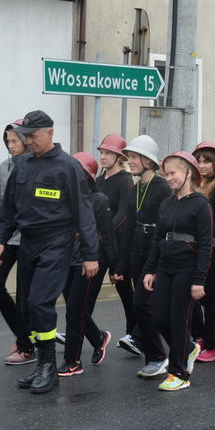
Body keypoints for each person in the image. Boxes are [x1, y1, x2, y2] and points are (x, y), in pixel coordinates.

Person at [0, 110, 99, 395]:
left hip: (57, 241)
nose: (29, 141)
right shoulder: (22, 164)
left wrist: (90, 254)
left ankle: (49, 366)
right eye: (26, 136)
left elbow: (84, 213)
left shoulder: (68, 167)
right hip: (28, 242)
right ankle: (41, 366)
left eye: (33, 136)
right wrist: (0, 238)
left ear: (50, 132)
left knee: (40, 302)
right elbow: (8, 207)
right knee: (27, 306)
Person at [143, 151, 213, 390]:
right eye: (166, 174)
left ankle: (179, 374)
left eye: (173, 173)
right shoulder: (166, 203)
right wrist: (150, 269)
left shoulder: (201, 204)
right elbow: (156, 239)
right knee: (159, 316)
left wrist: (199, 280)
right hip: (165, 267)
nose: (169, 178)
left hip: (187, 268)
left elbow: (206, 245)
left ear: (188, 173)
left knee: (179, 319)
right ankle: (190, 347)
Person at [114, 135, 171, 377]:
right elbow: (128, 228)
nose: (130, 161)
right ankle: (157, 354)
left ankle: (160, 355)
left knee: (145, 305)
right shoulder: (134, 188)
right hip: (137, 246)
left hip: (155, 247)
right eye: (129, 157)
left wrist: (157, 263)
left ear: (148, 160)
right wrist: (121, 264)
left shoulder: (163, 188)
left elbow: (165, 227)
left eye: (134, 157)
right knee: (142, 306)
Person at [57, 152, 114, 377]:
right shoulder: (65, 199)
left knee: (74, 311)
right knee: (76, 310)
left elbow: (108, 237)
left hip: (87, 263)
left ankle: (73, 361)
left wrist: (116, 268)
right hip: (65, 260)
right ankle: (98, 337)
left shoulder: (99, 200)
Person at [0, 120, 35, 366]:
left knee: (25, 297)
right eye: (7, 141)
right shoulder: (5, 167)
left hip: (27, 239)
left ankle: (26, 345)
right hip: (6, 239)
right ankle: (24, 335)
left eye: (14, 140)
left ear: (26, 140)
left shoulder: (37, 165)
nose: (10, 145)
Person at [94, 134, 137, 355]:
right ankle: (81, 328)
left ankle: (133, 333)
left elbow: (124, 214)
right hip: (98, 244)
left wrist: (105, 232)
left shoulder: (125, 180)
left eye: (108, 153)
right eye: (101, 152)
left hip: (119, 245)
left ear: (119, 157)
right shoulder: (99, 180)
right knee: (88, 287)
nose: (102, 156)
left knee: (124, 288)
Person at [191, 142, 215, 362]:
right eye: (199, 161)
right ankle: (201, 336)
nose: (202, 165)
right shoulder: (195, 186)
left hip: (213, 250)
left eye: (207, 161)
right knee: (193, 298)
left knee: (212, 298)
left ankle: (213, 346)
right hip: (194, 249)